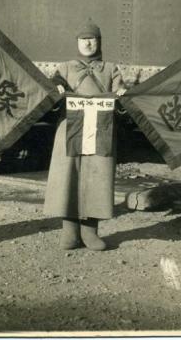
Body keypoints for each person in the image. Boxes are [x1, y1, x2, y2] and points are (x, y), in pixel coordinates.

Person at [43, 20, 126, 251]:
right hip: (70, 127)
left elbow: (122, 95)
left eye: (92, 39)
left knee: (97, 177)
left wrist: (122, 94)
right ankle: (69, 232)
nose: (87, 43)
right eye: (83, 39)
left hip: (101, 129)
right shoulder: (66, 67)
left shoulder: (110, 69)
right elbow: (51, 87)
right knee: (68, 176)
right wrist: (56, 86)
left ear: (99, 42)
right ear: (77, 42)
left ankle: (90, 233)